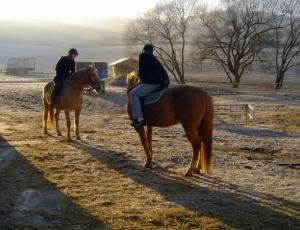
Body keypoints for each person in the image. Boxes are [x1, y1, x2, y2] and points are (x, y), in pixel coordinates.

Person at [129, 44, 170, 128]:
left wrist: (141, 79)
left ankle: (139, 119)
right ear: (151, 51)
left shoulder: (143, 56)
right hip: (163, 82)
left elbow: (142, 71)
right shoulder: (153, 58)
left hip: (153, 83)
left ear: (143, 50)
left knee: (133, 93)